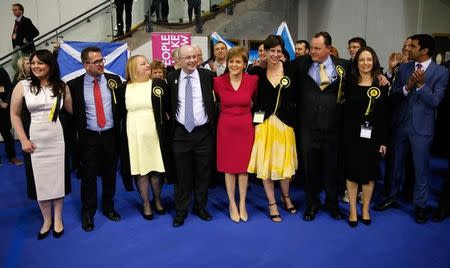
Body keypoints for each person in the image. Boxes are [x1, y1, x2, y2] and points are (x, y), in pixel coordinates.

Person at [375, 34, 448, 223]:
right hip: (400, 126)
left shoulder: (441, 72)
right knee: (395, 167)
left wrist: (422, 84)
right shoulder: (404, 68)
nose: (408, 49)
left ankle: (421, 206)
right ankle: (391, 198)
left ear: (424, 50)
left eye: (413, 46)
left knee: (420, 170)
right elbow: (394, 95)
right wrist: (407, 87)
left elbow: (435, 102)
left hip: (422, 130)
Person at [10, 49, 72, 239]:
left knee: (58, 180)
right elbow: (14, 114)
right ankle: (47, 220)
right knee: (40, 182)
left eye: (40, 63)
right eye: (33, 63)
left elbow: (72, 110)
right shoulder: (23, 86)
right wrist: (23, 139)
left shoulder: (61, 86)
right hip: (34, 142)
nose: (35, 66)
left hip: (58, 140)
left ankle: (58, 219)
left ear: (50, 65)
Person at [293, 32, 350, 222]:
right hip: (308, 129)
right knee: (310, 170)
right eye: (312, 47)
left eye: (317, 48)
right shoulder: (301, 64)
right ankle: (312, 204)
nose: (312, 51)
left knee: (332, 169)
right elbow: (279, 68)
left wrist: (381, 79)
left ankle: (333, 205)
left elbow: (361, 82)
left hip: (334, 129)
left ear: (329, 49)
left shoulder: (344, 66)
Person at [67, 46, 123, 232]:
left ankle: (108, 207)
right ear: (85, 65)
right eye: (97, 61)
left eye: (102, 60)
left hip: (110, 137)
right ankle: (88, 213)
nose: (101, 64)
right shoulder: (74, 85)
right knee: (88, 177)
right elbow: (70, 114)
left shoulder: (114, 81)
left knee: (110, 175)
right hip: (88, 138)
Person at [247, 35, 298, 222]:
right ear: (265, 52)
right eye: (272, 51)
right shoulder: (256, 73)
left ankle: (286, 197)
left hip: (285, 124)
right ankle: (272, 203)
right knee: (266, 165)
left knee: (285, 164)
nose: (275, 54)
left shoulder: (291, 70)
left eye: (279, 51)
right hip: (264, 125)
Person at [166, 45, 216, 227]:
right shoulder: (171, 78)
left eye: (195, 56)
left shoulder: (209, 77)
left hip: (203, 134)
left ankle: (200, 207)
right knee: (182, 175)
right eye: (188, 57)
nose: (193, 60)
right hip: (180, 134)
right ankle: (181, 210)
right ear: (178, 60)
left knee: (203, 173)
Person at [118, 55, 171, 220]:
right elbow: (119, 113)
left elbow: (168, 107)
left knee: (156, 169)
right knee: (141, 170)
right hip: (134, 136)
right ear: (133, 69)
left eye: (147, 62)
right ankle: (146, 202)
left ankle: (157, 198)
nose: (148, 65)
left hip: (155, 134)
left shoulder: (159, 84)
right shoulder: (122, 88)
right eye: (143, 64)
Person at [342, 47, 388, 227]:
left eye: (369, 59)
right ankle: (353, 210)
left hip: (373, 137)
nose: (366, 63)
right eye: (362, 60)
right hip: (351, 136)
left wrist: (383, 141)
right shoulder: (349, 82)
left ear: (374, 61)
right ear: (356, 62)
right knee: (352, 173)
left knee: (369, 174)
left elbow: (385, 115)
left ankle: (365, 209)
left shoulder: (382, 83)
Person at [213, 46, 258, 223]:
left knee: (243, 169)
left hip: (246, 127)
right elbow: (217, 101)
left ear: (245, 63)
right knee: (229, 169)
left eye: (238, 61)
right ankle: (232, 203)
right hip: (226, 127)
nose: (234, 64)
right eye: (231, 61)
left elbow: (255, 100)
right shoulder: (217, 81)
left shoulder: (253, 80)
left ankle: (242, 204)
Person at [0, 66, 23, 166]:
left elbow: (9, 87)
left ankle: (12, 157)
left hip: (3, 109)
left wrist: (6, 102)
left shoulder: (1, 71)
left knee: (7, 134)